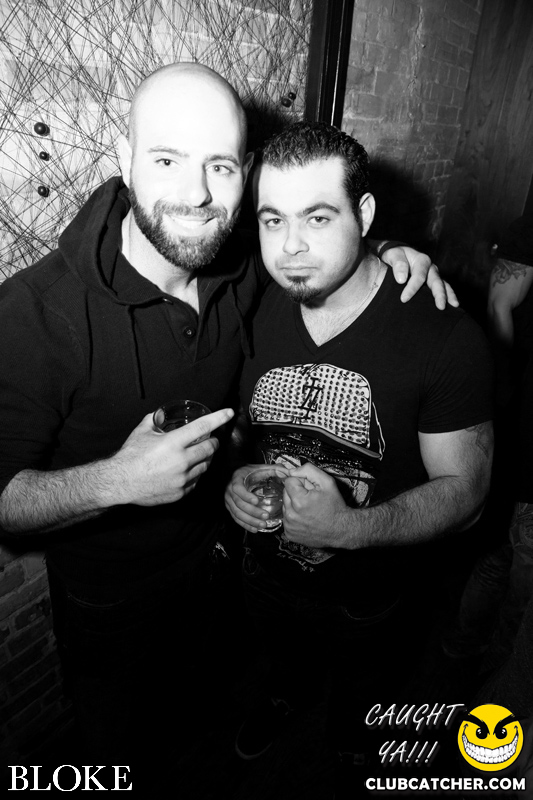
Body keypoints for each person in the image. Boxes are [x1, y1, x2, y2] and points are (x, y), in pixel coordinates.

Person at [0, 63, 450, 777]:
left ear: (246, 172)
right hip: (113, 602)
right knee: (115, 754)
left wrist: (384, 253)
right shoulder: (35, 312)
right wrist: (116, 481)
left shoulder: (241, 264)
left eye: (219, 166)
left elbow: (319, 251)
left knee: (195, 729)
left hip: (223, 569)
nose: (196, 194)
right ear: (125, 159)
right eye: (167, 160)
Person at [224, 121, 494, 797]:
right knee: (282, 661)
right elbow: (239, 428)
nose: (291, 247)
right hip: (264, 571)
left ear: (364, 214)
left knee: (363, 683)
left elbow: (467, 493)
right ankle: (285, 696)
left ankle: (352, 735)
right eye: (273, 219)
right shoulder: (248, 306)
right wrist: (234, 477)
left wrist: (349, 528)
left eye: (318, 217)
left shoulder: (443, 336)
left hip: (371, 590)